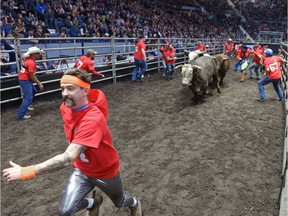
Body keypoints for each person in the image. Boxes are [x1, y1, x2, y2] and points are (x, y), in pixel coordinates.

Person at [3, 68, 142, 216]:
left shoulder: (93, 119)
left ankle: (135, 203)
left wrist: (26, 172)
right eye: (62, 88)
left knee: (119, 202)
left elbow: (68, 158)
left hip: (104, 171)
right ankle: (93, 203)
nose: (64, 93)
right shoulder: (65, 107)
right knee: (65, 211)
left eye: (70, 88)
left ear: (85, 91)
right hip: (82, 169)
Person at [16, 46, 44, 119]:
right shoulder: (31, 62)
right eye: (38, 53)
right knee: (29, 97)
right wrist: (39, 83)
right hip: (25, 80)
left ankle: (26, 105)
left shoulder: (28, 60)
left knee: (33, 92)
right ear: (34, 54)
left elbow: (27, 67)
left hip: (24, 79)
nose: (39, 54)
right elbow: (32, 76)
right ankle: (20, 115)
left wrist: (36, 67)